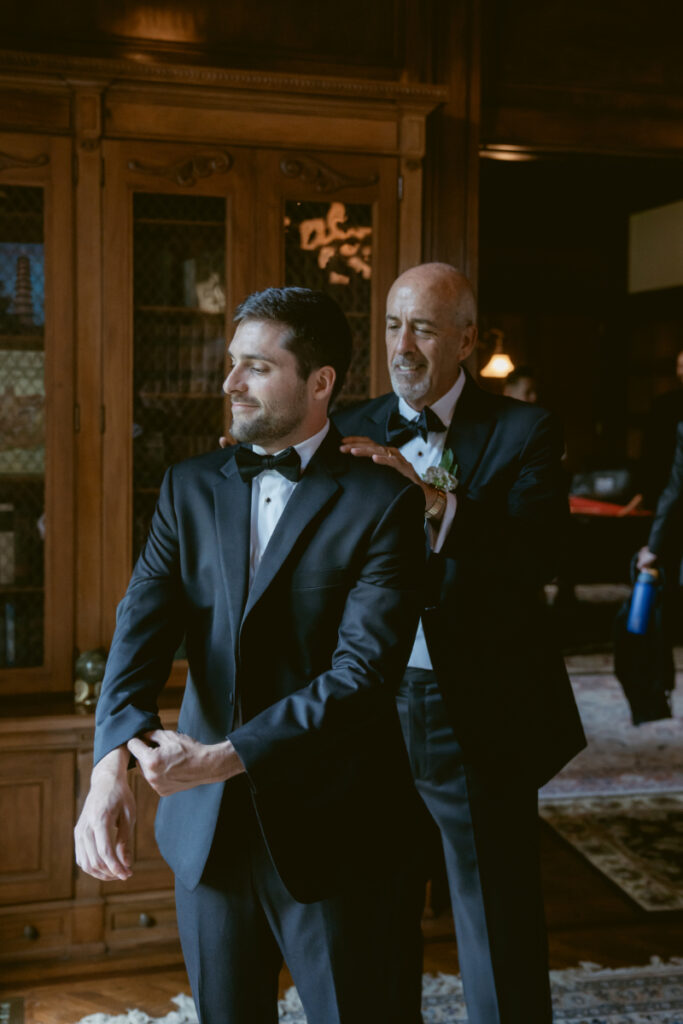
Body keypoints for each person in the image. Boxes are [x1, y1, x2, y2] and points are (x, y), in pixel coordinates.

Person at [74, 287, 427, 1024]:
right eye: (232, 364)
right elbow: (138, 631)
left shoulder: (384, 502)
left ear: (319, 381)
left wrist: (224, 754)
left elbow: (362, 677)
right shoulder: (188, 486)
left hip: (339, 829)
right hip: (207, 834)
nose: (230, 383)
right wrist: (110, 764)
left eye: (256, 368)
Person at [334, 262, 586, 1024]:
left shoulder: (525, 430)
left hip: (474, 707)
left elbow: (535, 553)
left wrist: (433, 500)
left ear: (466, 339)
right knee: (376, 914)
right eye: (390, 325)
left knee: (494, 918)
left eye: (422, 327)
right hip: (366, 706)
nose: (401, 345)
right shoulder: (352, 426)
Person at [641, 349, 683, 507]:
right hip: (669, 481)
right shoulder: (665, 406)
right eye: (680, 366)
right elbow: (652, 449)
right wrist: (643, 490)